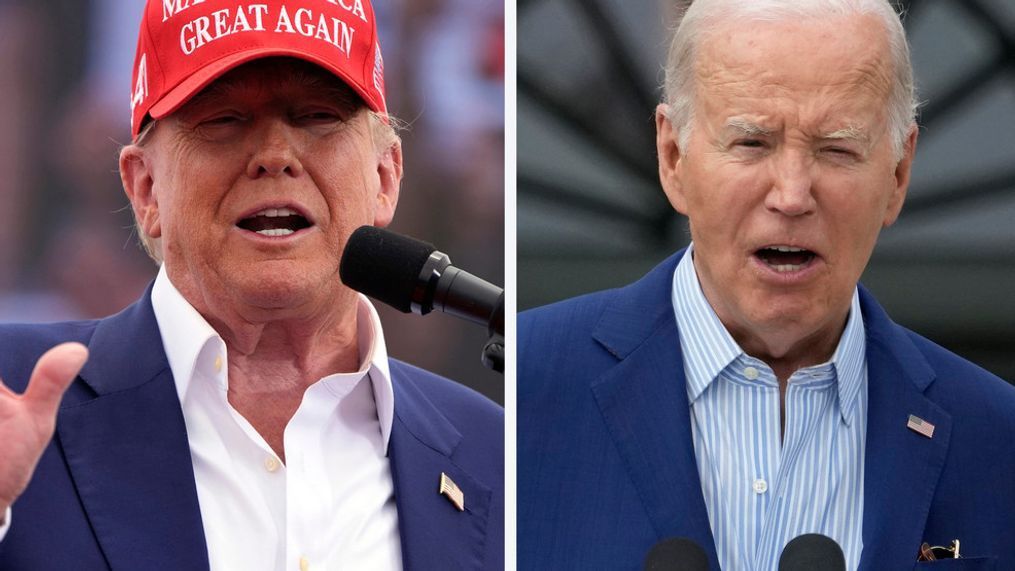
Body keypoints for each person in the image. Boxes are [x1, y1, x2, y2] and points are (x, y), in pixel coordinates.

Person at [0, 1, 503, 569]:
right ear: (145, 190)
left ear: (385, 177)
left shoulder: (495, 455)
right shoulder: (12, 394)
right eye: (224, 120)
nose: (274, 156)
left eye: (316, 116)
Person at [518, 0, 1015, 569]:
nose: (792, 195)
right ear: (673, 156)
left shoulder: (998, 442)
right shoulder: (526, 390)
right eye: (752, 143)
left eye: (836, 149)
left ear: (898, 174)